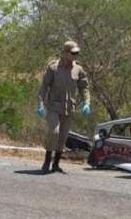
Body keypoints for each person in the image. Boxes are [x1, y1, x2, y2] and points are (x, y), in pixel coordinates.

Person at [37, 40, 91, 174]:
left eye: (77, 53)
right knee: (54, 132)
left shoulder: (78, 69)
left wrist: (87, 103)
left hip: (69, 108)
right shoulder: (54, 68)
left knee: (63, 137)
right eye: (73, 53)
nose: (75, 55)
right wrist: (40, 103)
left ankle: (56, 164)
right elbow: (44, 86)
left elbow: (84, 87)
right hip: (54, 106)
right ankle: (47, 161)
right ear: (65, 53)